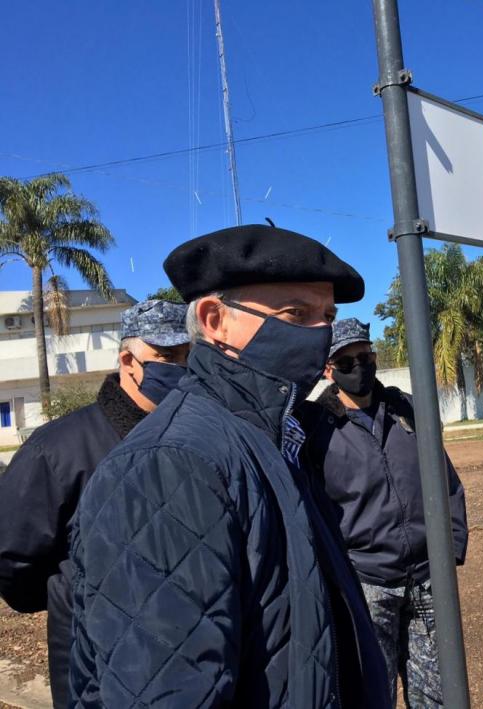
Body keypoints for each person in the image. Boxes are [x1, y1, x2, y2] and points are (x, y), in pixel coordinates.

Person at [69, 225, 388, 708]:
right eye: (295, 314)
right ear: (215, 320)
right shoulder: (172, 465)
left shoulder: (277, 437)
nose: (321, 334)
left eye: (327, 316)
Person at [0, 299, 190, 709]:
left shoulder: (196, 438)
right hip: (95, 665)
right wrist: (68, 594)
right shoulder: (55, 450)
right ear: (128, 360)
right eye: (168, 356)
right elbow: (14, 557)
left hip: (192, 655)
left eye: (190, 357)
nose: (181, 368)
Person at [298, 318, 468, 708]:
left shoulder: (404, 409)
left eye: (365, 356)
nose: (359, 367)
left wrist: (451, 546)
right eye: (345, 362)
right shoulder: (315, 425)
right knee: (372, 694)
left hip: (428, 577)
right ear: (328, 370)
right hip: (366, 583)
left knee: (439, 694)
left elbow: (447, 478)